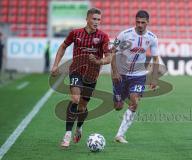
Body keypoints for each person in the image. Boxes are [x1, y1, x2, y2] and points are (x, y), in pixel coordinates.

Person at [51, 8, 111, 148]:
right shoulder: (75, 33)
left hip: (91, 76)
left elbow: (109, 57)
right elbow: (63, 47)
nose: (96, 22)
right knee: (75, 99)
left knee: (82, 107)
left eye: (99, 19)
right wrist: (55, 65)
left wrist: (99, 61)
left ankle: (79, 127)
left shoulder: (103, 37)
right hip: (76, 71)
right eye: (94, 19)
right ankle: (67, 135)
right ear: (87, 19)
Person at [111, 10, 160, 143]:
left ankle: (120, 135)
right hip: (121, 74)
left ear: (147, 22)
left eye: (143, 22)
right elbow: (112, 52)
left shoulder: (152, 38)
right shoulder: (124, 35)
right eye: (137, 22)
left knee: (134, 102)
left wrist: (154, 78)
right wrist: (114, 72)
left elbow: (155, 58)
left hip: (138, 75)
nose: (140, 25)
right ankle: (121, 96)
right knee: (118, 106)